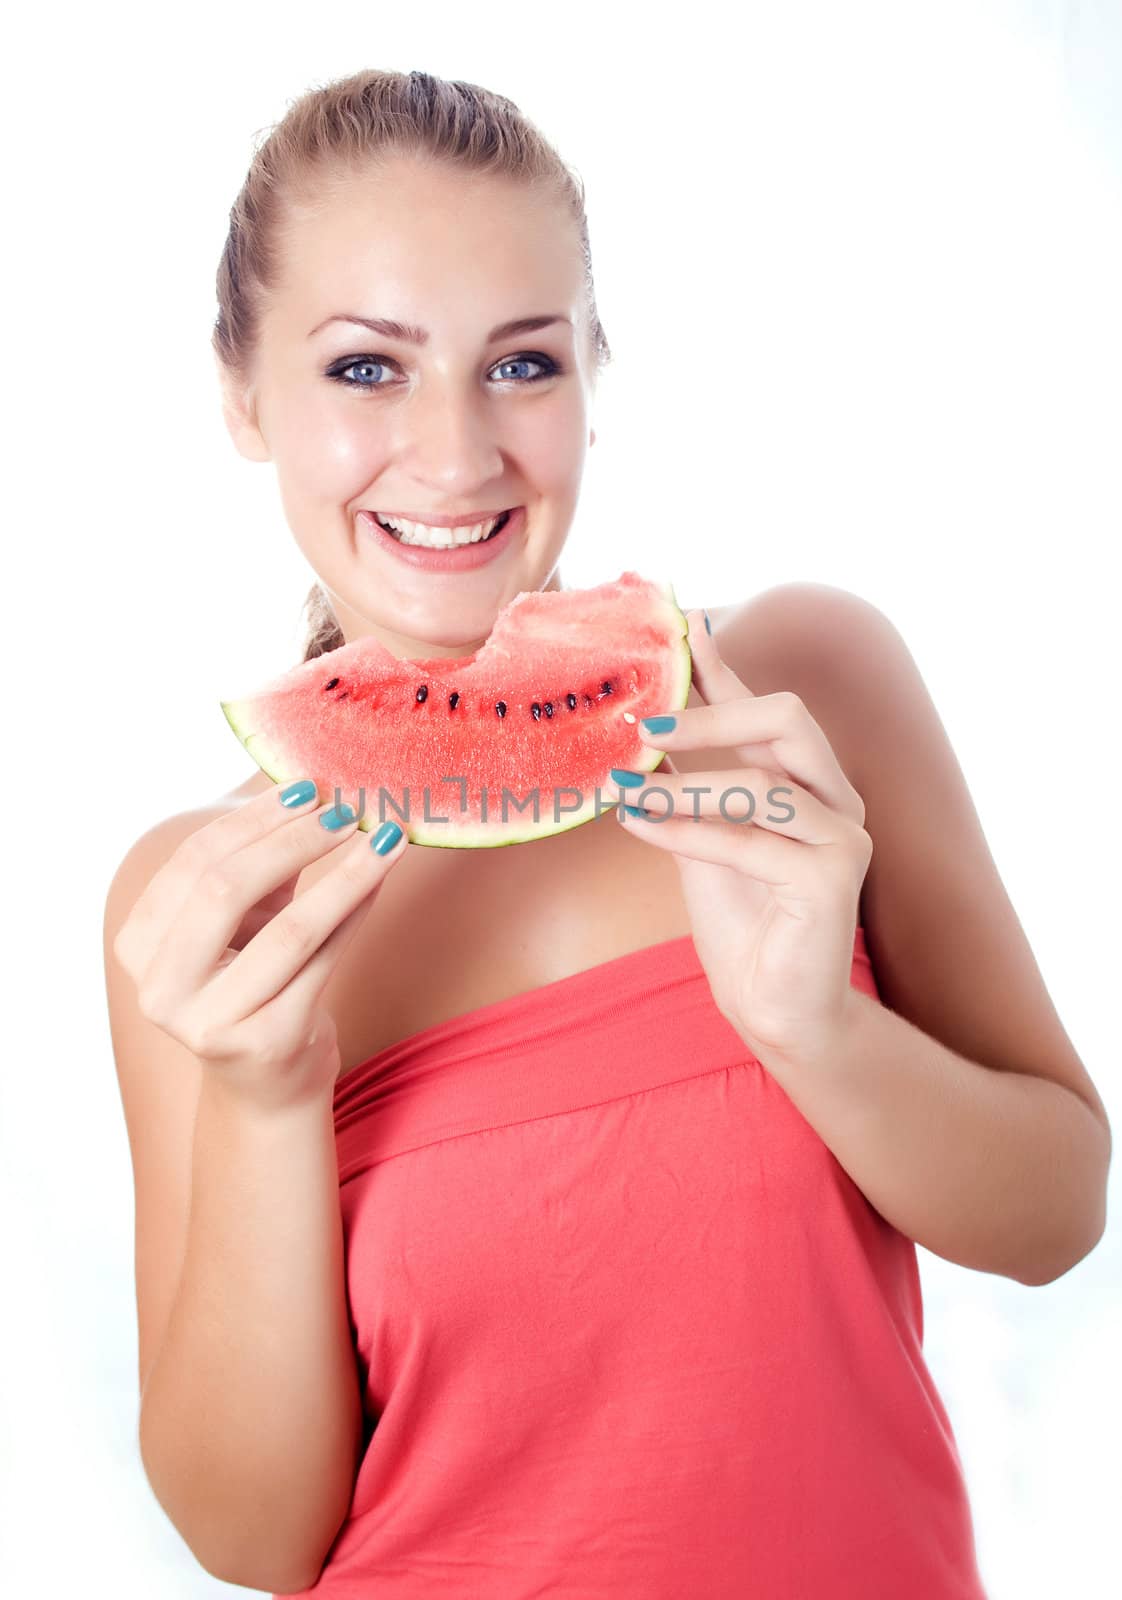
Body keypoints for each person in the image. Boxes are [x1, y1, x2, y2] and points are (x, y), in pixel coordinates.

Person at [102, 68, 1110, 1599]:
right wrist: (259, 1107)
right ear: (244, 398)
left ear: (591, 374)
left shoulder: (794, 686)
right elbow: (255, 1539)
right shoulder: (202, 909)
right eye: (366, 372)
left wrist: (813, 1030)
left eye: (521, 364)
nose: (452, 456)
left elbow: (1053, 1215)